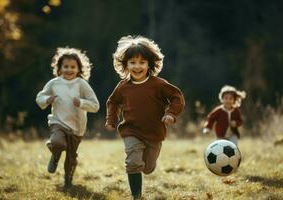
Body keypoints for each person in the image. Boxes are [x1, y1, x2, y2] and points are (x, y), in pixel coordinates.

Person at [105, 35, 185, 199]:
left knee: (148, 168)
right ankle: (137, 196)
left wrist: (170, 113)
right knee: (133, 163)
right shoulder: (123, 87)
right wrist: (111, 120)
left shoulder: (158, 84)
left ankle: (147, 164)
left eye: (142, 62)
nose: (137, 66)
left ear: (150, 64)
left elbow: (177, 97)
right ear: (126, 65)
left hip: (154, 133)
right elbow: (112, 102)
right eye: (133, 62)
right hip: (131, 131)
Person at [36, 47, 99, 188]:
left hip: (77, 127)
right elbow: (40, 97)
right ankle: (55, 154)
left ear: (78, 69)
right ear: (59, 68)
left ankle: (68, 181)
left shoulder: (82, 84)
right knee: (58, 142)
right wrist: (47, 99)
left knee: (71, 158)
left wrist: (82, 102)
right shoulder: (54, 83)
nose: (69, 70)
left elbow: (95, 105)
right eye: (65, 66)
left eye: (72, 67)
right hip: (58, 122)